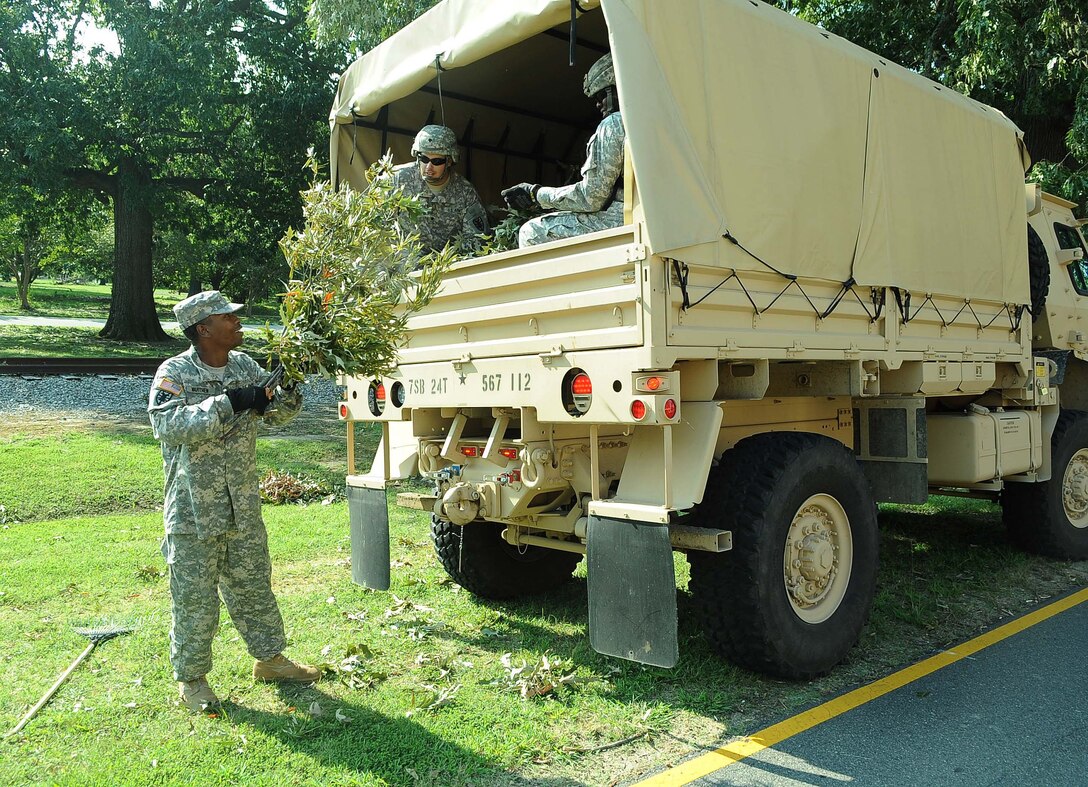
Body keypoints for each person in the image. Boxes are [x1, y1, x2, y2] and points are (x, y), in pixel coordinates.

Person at [149, 290, 320, 713]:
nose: (238, 322)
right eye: (228, 317)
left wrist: (289, 385)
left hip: (242, 505)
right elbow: (168, 425)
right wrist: (230, 401)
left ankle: (271, 660)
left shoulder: (244, 366)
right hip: (193, 512)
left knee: (253, 586)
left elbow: (275, 414)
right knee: (195, 599)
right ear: (203, 329)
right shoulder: (176, 372)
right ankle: (192, 680)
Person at [502, 53, 625, 247]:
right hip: (664, 222)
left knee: (532, 232)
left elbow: (592, 197)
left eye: (602, 95)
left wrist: (535, 194)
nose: (598, 104)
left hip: (623, 220)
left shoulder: (614, 124)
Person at [384, 124, 489, 255]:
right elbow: (378, 227)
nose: (429, 166)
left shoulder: (465, 192)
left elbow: (477, 240)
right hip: (403, 265)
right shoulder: (397, 180)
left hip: (446, 268)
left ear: (449, 161)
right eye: (424, 159)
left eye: (437, 161)